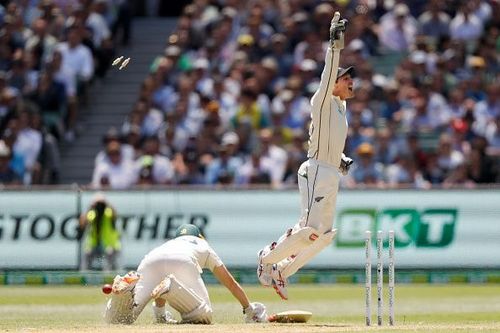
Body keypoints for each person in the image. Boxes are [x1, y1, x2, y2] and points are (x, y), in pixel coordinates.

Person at [257, 11, 355, 300]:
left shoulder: (340, 108)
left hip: (329, 172)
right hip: (315, 170)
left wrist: (340, 158)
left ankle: (282, 272)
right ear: (334, 83)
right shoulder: (322, 99)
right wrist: (334, 47)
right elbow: (327, 74)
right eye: (346, 79)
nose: (352, 83)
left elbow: (329, 139)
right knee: (310, 229)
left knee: (323, 236)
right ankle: (266, 259)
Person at [104, 224, 268, 325]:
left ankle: (125, 293)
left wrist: (160, 315)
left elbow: (161, 273)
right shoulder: (203, 245)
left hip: (150, 260)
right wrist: (249, 309)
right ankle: (171, 287)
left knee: (122, 320)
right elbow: (230, 283)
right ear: (199, 236)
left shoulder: (169, 244)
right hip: (183, 261)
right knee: (205, 315)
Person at [79, 193, 121, 271]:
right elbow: (83, 223)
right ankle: (84, 276)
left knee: (110, 253)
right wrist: (90, 207)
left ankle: (108, 276)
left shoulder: (108, 212)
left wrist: (107, 204)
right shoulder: (93, 213)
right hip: (94, 243)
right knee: (87, 253)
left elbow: (115, 215)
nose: (100, 206)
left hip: (109, 243)